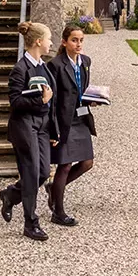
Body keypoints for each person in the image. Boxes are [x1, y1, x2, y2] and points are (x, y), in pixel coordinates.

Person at [0, 21, 57, 242]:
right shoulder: (20, 69)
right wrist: (41, 102)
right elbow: (15, 101)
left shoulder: (45, 67)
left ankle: (11, 194)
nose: (51, 43)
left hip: (42, 126)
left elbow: (52, 101)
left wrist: (54, 131)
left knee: (43, 172)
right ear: (38, 41)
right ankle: (30, 222)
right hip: (23, 125)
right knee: (32, 172)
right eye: (49, 39)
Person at [47, 24, 97, 227]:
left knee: (87, 162)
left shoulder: (85, 61)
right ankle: (58, 212)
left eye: (81, 40)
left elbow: (82, 90)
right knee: (65, 165)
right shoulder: (55, 65)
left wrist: (92, 99)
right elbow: (53, 100)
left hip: (81, 117)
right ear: (65, 42)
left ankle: (54, 189)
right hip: (63, 121)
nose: (78, 44)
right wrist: (53, 129)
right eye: (74, 40)